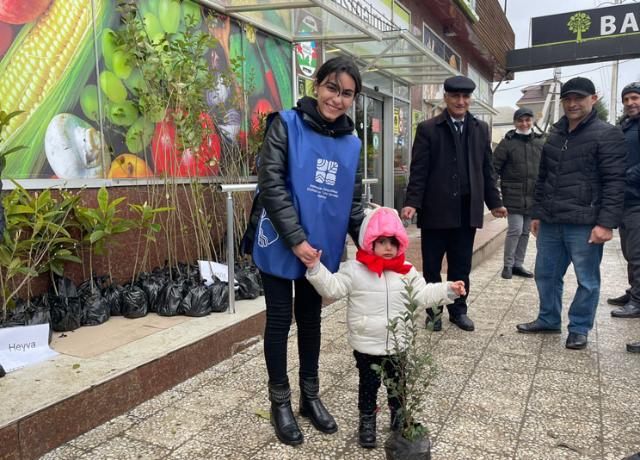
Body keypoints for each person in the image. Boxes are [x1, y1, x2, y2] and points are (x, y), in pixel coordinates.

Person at [242, 56, 365, 446]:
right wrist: (297, 240)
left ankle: (310, 396)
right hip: (281, 242)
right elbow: (272, 184)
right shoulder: (285, 124)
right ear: (317, 86)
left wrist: (374, 247)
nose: (337, 99)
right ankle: (280, 401)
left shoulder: (352, 142)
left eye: (347, 93)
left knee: (311, 321)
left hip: (322, 251)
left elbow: (354, 202)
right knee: (280, 321)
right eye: (332, 88)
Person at [303, 207, 465, 448]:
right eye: (381, 242)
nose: (388, 247)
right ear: (370, 242)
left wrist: (448, 290)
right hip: (367, 343)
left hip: (398, 343)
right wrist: (316, 268)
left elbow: (423, 294)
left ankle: (398, 418)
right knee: (368, 386)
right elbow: (333, 288)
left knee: (397, 385)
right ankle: (367, 421)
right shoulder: (355, 270)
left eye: (393, 242)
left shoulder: (407, 271)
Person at [516, 77, 628, 350]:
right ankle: (548, 319)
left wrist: (605, 223)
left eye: (579, 98)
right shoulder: (555, 135)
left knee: (587, 280)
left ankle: (579, 328)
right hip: (552, 221)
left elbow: (615, 181)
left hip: (585, 223)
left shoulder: (607, 134)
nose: (573, 103)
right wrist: (537, 214)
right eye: (567, 99)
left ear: (593, 99)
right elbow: (543, 179)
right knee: (545, 274)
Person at [401, 75, 506, 332]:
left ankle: (458, 311)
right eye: (455, 96)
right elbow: (419, 170)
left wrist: (495, 202)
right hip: (436, 210)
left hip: (466, 212)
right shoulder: (428, 128)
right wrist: (412, 201)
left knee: (461, 266)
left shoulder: (481, 129)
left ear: (470, 99)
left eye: (465, 97)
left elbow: (487, 169)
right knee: (433, 266)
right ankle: (433, 312)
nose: (461, 101)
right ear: (446, 98)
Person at [493, 107, 544, 279]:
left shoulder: (539, 142)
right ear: (515, 122)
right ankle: (507, 265)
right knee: (515, 229)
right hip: (513, 193)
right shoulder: (507, 143)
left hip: (534, 195)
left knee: (525, 231)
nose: (524, 123)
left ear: (532, 121)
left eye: (528, 120)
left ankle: (518, 264)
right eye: (520, 120)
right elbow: (494, 169)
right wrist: (494, 196)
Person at [610, 82, 640, 354]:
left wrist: (623, 176)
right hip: (626, 200)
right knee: (630, 252)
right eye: (627, 99)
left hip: (637, 198)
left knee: (639, 254)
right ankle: (634, 292)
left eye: (635, 98)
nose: (631, 102)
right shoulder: (628, 125)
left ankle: (638, 300)